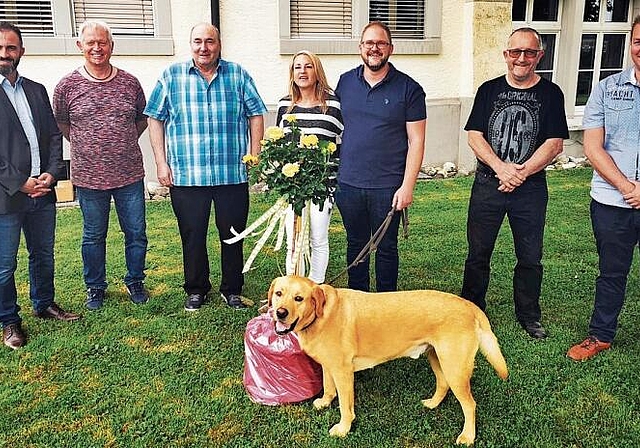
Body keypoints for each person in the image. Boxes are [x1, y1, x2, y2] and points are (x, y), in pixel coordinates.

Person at [145, 23, 266, 311]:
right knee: (192, 235)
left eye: (210, 41)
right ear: (191, 45)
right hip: (188, 175)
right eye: (198, 41)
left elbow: (257, 114)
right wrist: (162, 163)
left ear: (219, 44)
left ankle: (232, 289)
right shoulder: (172, 76)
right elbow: (154, 119)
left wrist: (254, 153)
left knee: (234, 234)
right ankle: (196, 289)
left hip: (231, 174)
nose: (204, 47)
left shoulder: (237, 74)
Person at [460, 27, 569, 339]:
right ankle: (470, 310)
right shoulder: (488, 90)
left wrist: (520, 173)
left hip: (530, 190)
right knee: (478, 253)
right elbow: (475, 135)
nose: (522, 58)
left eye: (529, 52)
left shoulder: (551, 94)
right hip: (487, 184)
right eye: (515, 52)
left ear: (539, 56)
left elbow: (554, 143)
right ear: (506, 55)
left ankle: (529, 315)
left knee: (530, 256)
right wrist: (501, 169)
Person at [53, 21, 149, 311]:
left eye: (102, 42)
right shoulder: (66, 86)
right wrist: (89, 146)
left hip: (129, 173)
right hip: (88, 177)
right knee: (93, 235)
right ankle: (95, 287)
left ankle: (135, 281)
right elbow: (61, 123)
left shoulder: (130, 83)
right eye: (91, 43)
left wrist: (118, 143)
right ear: (80, 46)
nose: (97, 48)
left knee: (135, 232)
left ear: (111, 46)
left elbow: (141, 119)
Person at [0, 21, 81, 349]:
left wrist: (52, 171)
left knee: (43, 253)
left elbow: (51, 135)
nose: (4, 54)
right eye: (0, 47)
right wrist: (20, 183)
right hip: (6, 195)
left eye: (10, 48)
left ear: (21, 51)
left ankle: (44, 303)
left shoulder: (36, 89)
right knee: (5, 263)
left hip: (43, 190)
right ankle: (8, 319)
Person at [567, 16, 640, 360]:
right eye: (638, 41)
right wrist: (628, 186)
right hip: (612, 200)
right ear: (630, 43)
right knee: (612, 271)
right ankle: (601, 335)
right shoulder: (607, 88)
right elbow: (593, 147)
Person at [334, 21, 427, 292]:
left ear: (390, 48)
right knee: (355, 244)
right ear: (360, 48)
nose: (374, 48)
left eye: (381, 43)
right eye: (369, 43)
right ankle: (358, 302)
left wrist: (407, 186)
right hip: (348, 184)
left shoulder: (410, 89)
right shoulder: (345, 82)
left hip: (388, 186)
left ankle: (387, 304)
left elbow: (417, 140)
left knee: (386, 248)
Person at [276, 50, 344, 284]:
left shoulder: (333, 104)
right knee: (293, 240)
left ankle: (316, 287)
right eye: (297, 67)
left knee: (318, 238)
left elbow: (342, 142)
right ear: (292, 73)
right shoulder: (285, 105)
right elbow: (279, 144)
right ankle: (292, 287)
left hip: (322, 186)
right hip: (292, 187)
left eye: (308, 66)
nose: (302, 71)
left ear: (317, 71)